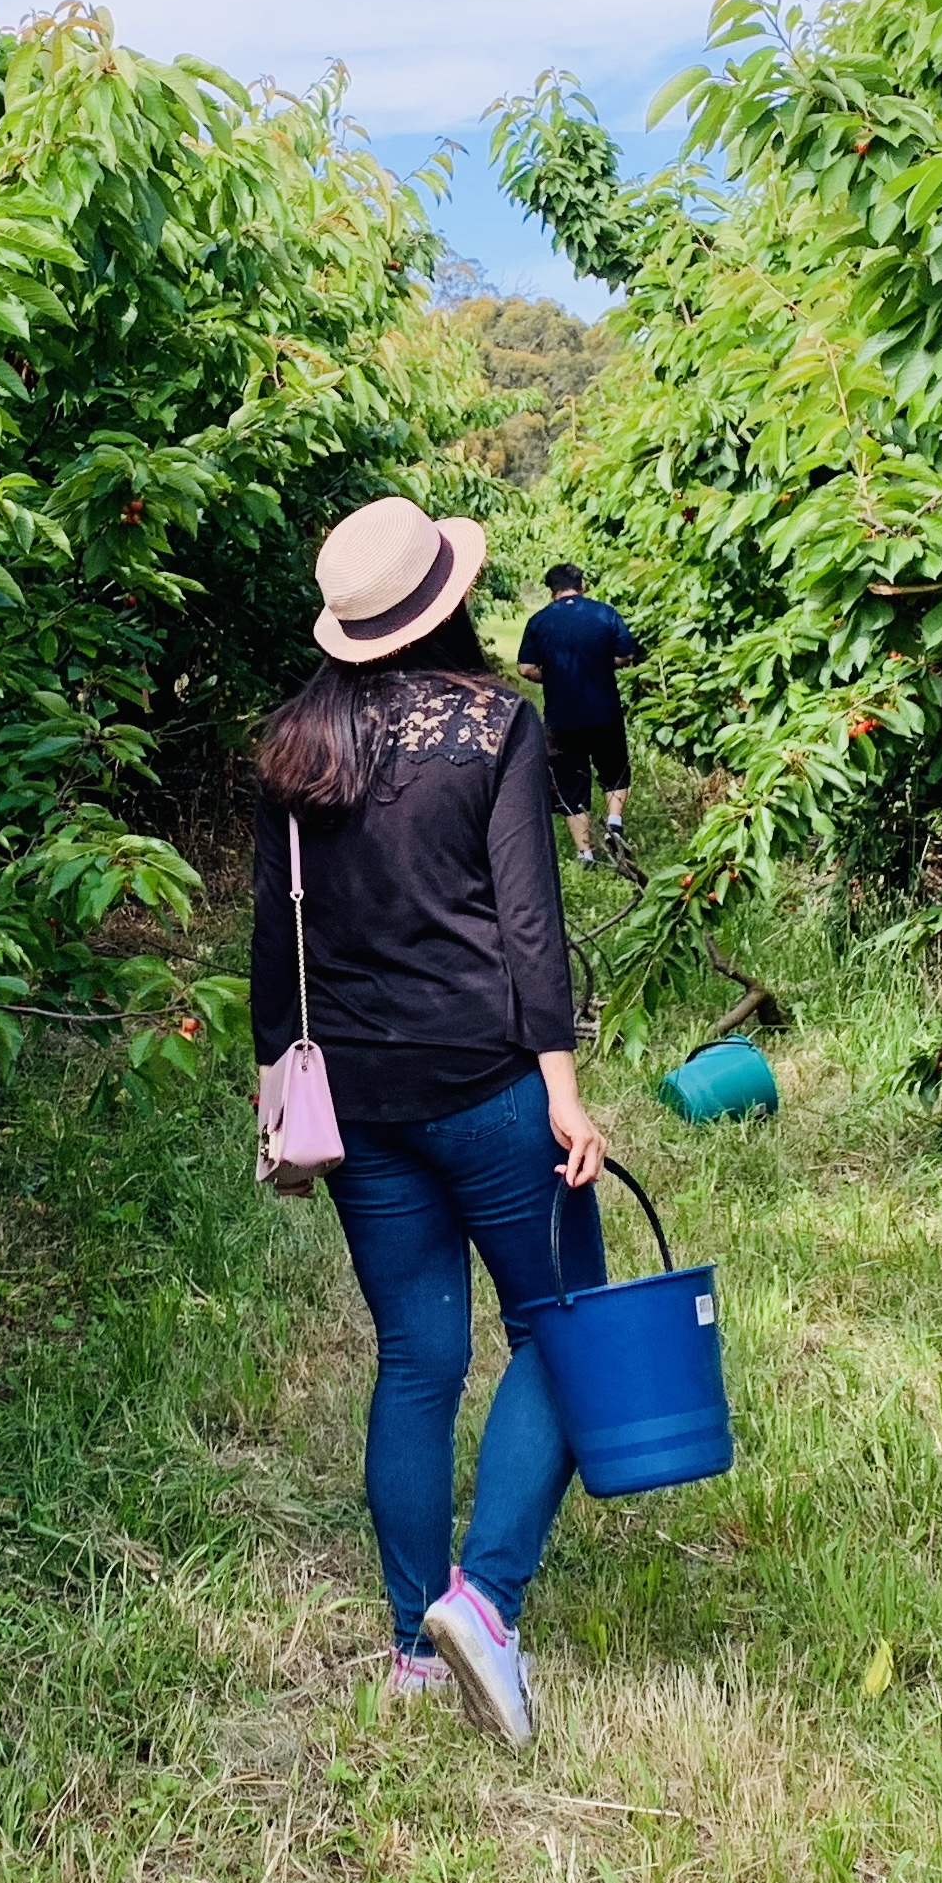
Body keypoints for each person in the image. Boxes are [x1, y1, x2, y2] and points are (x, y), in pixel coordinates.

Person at [254, 494, 609, 1745]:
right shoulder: (495, 726)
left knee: (416, 1358)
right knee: (564, 1332)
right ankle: (487, 1605)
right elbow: (529, 925)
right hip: (485, 1081)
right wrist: (562, 1084)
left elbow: (271, 939)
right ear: (449, 600)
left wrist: (277, 1098)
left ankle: (412, 1646)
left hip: (355, 1097)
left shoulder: (296, 740)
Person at [514, 562, 643, 867]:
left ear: (551, 591)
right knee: (614, 771)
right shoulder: (605, 613)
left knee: (570, 782)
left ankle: (585, 853)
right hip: (605, 712)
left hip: (562, 718)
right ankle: (614, 822)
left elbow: (525, 668)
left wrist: (553, 675)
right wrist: (601, 665)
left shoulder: (539, 621)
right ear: (582, 585)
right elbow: (626, 654)